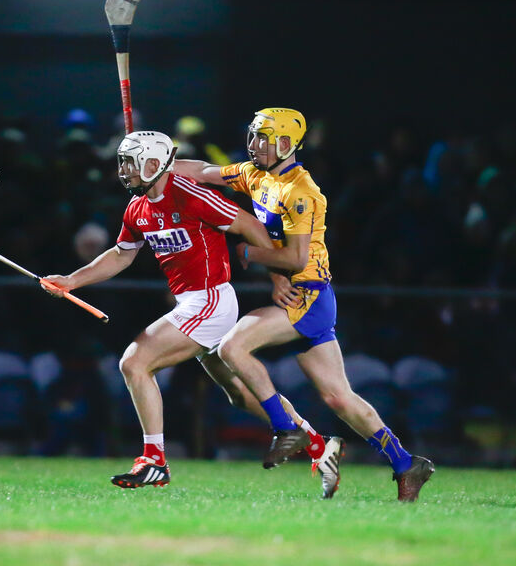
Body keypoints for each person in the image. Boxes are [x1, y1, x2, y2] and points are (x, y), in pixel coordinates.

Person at [42, 130, 334, 490]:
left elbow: (250, 226)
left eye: (129, 164)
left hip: (211, 299)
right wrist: (72, 280)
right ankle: (316, 441)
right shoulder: (137, 207)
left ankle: (154, 461)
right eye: (122, 163)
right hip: (192, 303)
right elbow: (122, 254)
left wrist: (276, 277)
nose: (123, 171)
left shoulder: (190, 194)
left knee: (134, 362)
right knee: (239, 395)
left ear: (153, 164)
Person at [173, 107, 435, 502]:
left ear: (286, 144)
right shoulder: (253, 173)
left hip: (308, 294)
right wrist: (161, 162)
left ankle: (287, 428)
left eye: (265, 138)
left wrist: (248, 253)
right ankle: (405, 463)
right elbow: (205, 171)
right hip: (300, 295)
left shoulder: (301, 192)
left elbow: (295, 260)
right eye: (254, 136)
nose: (255, 145)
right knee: (338, 398)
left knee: (229, 346)